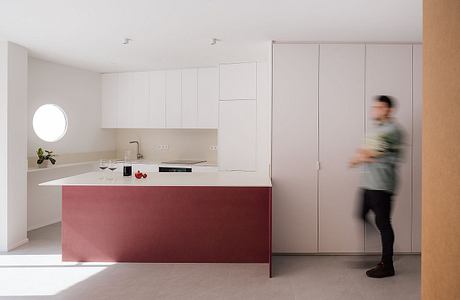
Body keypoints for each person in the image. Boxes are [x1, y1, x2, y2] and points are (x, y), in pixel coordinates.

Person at [350, 95, 404, 278]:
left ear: (389, 110)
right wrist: (362, 155)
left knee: (383, 223)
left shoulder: (392, 130)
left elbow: (373, 152)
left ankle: (387, 264)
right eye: (375, 107)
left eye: (380, 107)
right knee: (361, 214)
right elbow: (366, 151)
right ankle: (380, 249)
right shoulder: (376, 129)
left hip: (381, 184)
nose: (375, 110)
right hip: (368, 183)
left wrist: (363, 156)